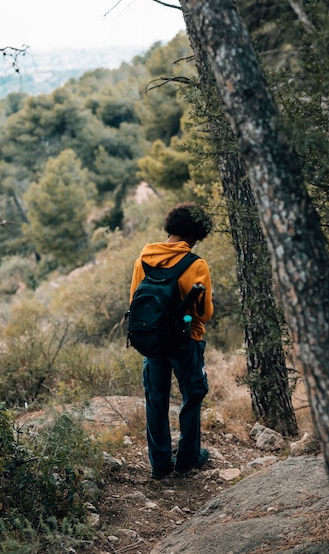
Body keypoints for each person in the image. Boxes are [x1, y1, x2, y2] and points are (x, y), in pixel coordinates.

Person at [129, 202, 214, 480]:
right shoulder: (196, 264)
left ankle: (160, 465)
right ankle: (188, 459)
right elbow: (204, 313)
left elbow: (134, 301)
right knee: (192, 396)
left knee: (156, 400)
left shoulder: (144, 258)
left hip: (152, 342)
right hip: (186, 341)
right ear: (195, 235)